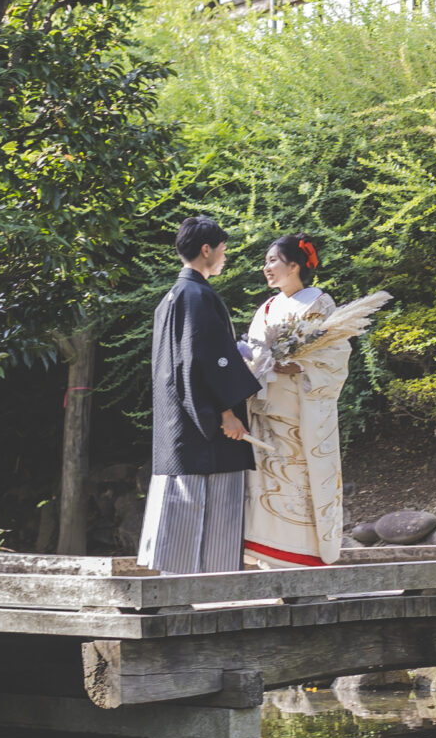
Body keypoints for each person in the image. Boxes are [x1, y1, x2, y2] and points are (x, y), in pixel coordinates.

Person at [138, 215, 263, 574]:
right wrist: (225, 412)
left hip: (178, 420)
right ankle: (205, 587)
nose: (225, 257)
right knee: (202, 503)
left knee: (179, 504)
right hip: (203, 424)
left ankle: (177, 586)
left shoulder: (174, 296)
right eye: (222, 250)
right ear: (206, 250)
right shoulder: (196, 296)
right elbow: (204, 360)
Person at [238, 233, 350, 567]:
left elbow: (335, 355)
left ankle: (304, 559)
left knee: (299, 483)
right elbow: (254, 353)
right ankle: (265, 556)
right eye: (266, 261)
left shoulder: (318, 302)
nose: (266, 267)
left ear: (294, 265)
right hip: (265, 412)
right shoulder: (267, 307)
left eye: (273, 260)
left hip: (300, 416)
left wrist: (299, 365)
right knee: (265, 482)